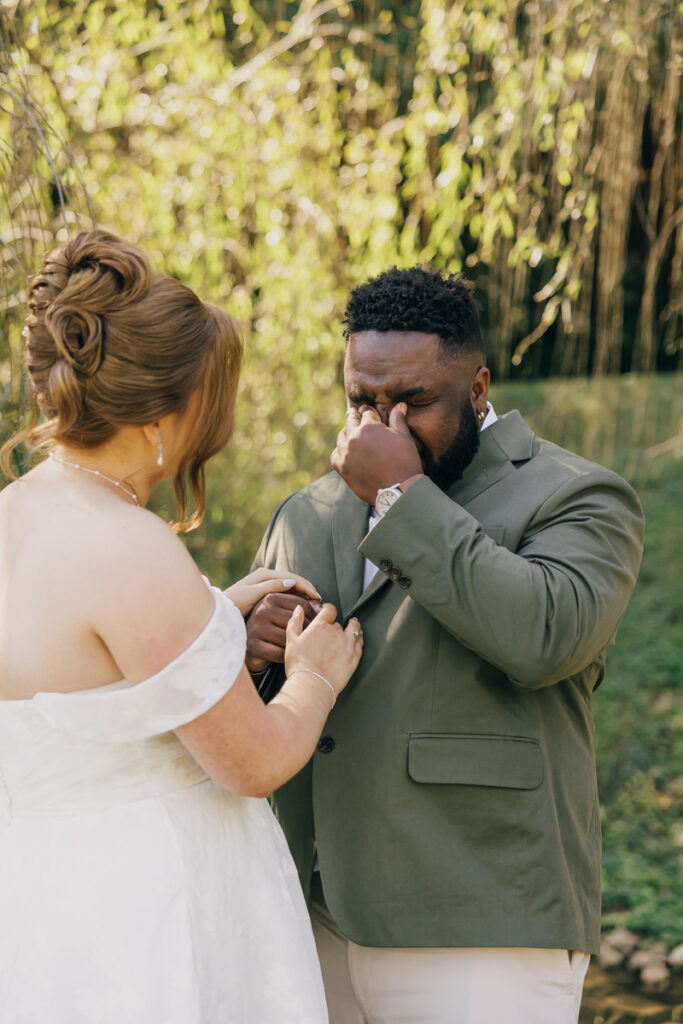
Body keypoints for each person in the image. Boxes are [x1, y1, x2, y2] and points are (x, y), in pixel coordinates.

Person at [246, 266, 645, 1024]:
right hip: (306, 913)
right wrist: (255, 652)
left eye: (412, 401)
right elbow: (270, 705)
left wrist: (402, 498)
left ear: (479, 386)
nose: (382, 425)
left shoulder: (576, 494)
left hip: (479, 913)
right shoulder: (306, 511)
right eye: (362, 400)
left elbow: (544, 638)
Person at [0, 229, 364, 1023]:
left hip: (43, 904)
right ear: (167, 413)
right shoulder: (130, 546)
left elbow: (87, 678)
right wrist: (314, 676)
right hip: (150, 906)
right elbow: (255, 759)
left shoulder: (14, 518)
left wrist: (212, 615)